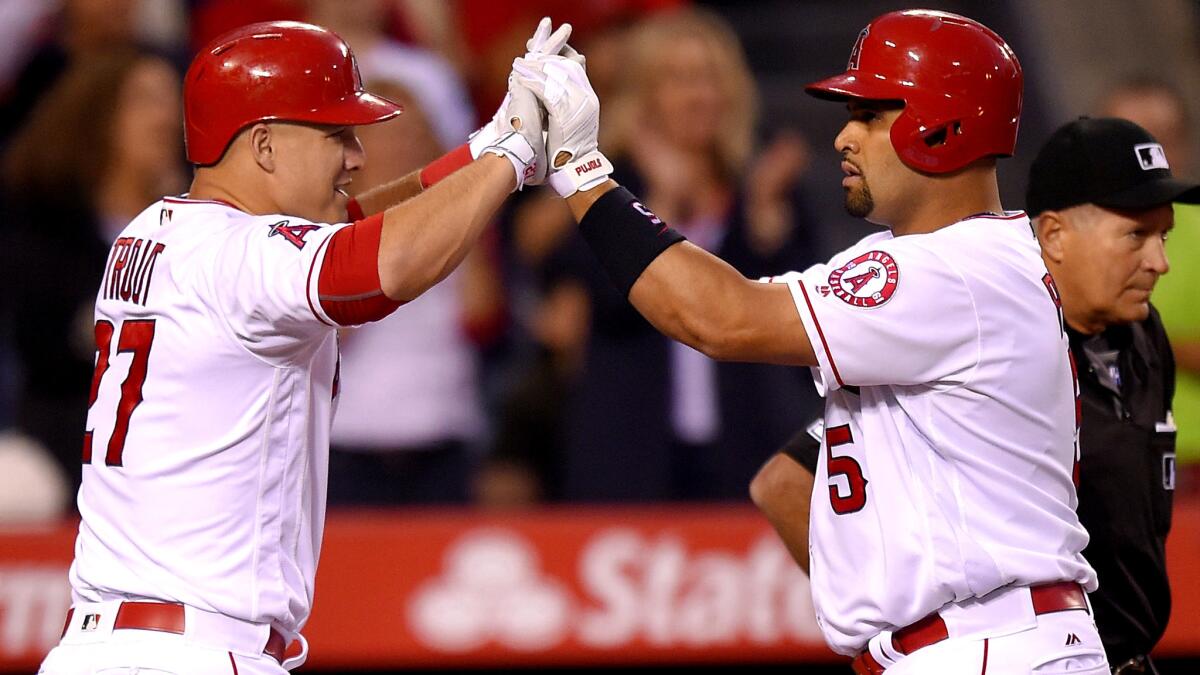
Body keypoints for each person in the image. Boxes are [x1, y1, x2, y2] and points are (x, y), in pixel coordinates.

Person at [514, 9, 1107, 673]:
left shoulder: (954, 270)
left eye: (870, 114)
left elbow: (719, 318)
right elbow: (720, 315)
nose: (843, 138)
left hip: (989, 644)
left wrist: (581, 167)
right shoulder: (941, 262)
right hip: (969, 642)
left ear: (943, 125)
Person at [39, 18, 571, 674]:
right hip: (195, 651)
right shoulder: (238, 258)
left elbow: (351, 229)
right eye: (335, 133)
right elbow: (385, 268)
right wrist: (513, 155)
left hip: (106, 646)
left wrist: (483, 149)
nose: (356, 154)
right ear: (263, 145)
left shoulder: (158, 229)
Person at [1027, 117, 1199, 675]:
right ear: (1053, 235)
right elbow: (790, 480)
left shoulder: (1144, 337)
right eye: (1135, 236)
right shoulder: (994, 347)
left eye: (1163, 235)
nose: (1160, 262)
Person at [1, 49, 185, 500]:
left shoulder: (197, 226)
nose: (165, 117)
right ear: (97, 115)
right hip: (69, 451)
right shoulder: (42, 228)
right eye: (144, 100)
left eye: (170, 100)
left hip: (176, 459)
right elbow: (49, 344)